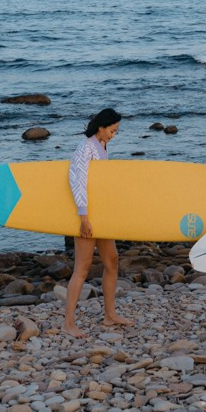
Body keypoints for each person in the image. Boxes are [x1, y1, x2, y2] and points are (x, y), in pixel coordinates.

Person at [63, 108, 133, 338]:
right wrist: (83, 217)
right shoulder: (85, 147)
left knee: (112, 262)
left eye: (116, 131)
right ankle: (69, 324)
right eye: (112, 130)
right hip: (87, 216)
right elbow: (78, 180)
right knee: (82, 268)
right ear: (101, 127)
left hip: (101, 215)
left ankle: (110, 315)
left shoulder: (102, 146)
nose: (114, 135)